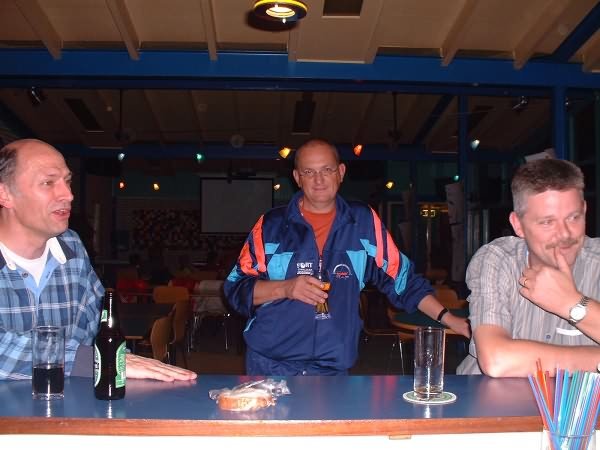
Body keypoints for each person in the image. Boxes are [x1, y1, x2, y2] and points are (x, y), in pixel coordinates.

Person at [224, 139, 470, 375]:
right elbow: (235, 288)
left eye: (327, 169)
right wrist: (286, 288)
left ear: (340, 172)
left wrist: (449, 318)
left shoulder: (362, 222)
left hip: (331, 367)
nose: (319, 179)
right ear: (297, 178)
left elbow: (403, 280)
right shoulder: (271, 225)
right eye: (309, 172)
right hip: (270, 364)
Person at [0, 139, 196, 382]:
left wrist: (115, 360)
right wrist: (92, 360)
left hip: (68, 401)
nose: (68, 194)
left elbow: (98, 325)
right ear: (5, 194)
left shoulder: (71, 247)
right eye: (48, 182)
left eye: (67, 181)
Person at [457, 158, 600, 377]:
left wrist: (572, 304)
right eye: (547, 222)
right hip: (487, 398)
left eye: (573, 217)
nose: (565, 234)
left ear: (585, 210)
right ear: (518, 225)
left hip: (581, 400)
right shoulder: (498, 259)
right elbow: (497, 361)